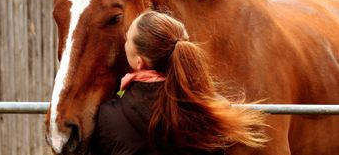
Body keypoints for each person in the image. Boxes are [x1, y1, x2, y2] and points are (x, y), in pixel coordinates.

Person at [92, 11, 268, 155]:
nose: (125, 42)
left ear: (139, 62)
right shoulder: (212, 111)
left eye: (127, 39)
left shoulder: (109, 117)